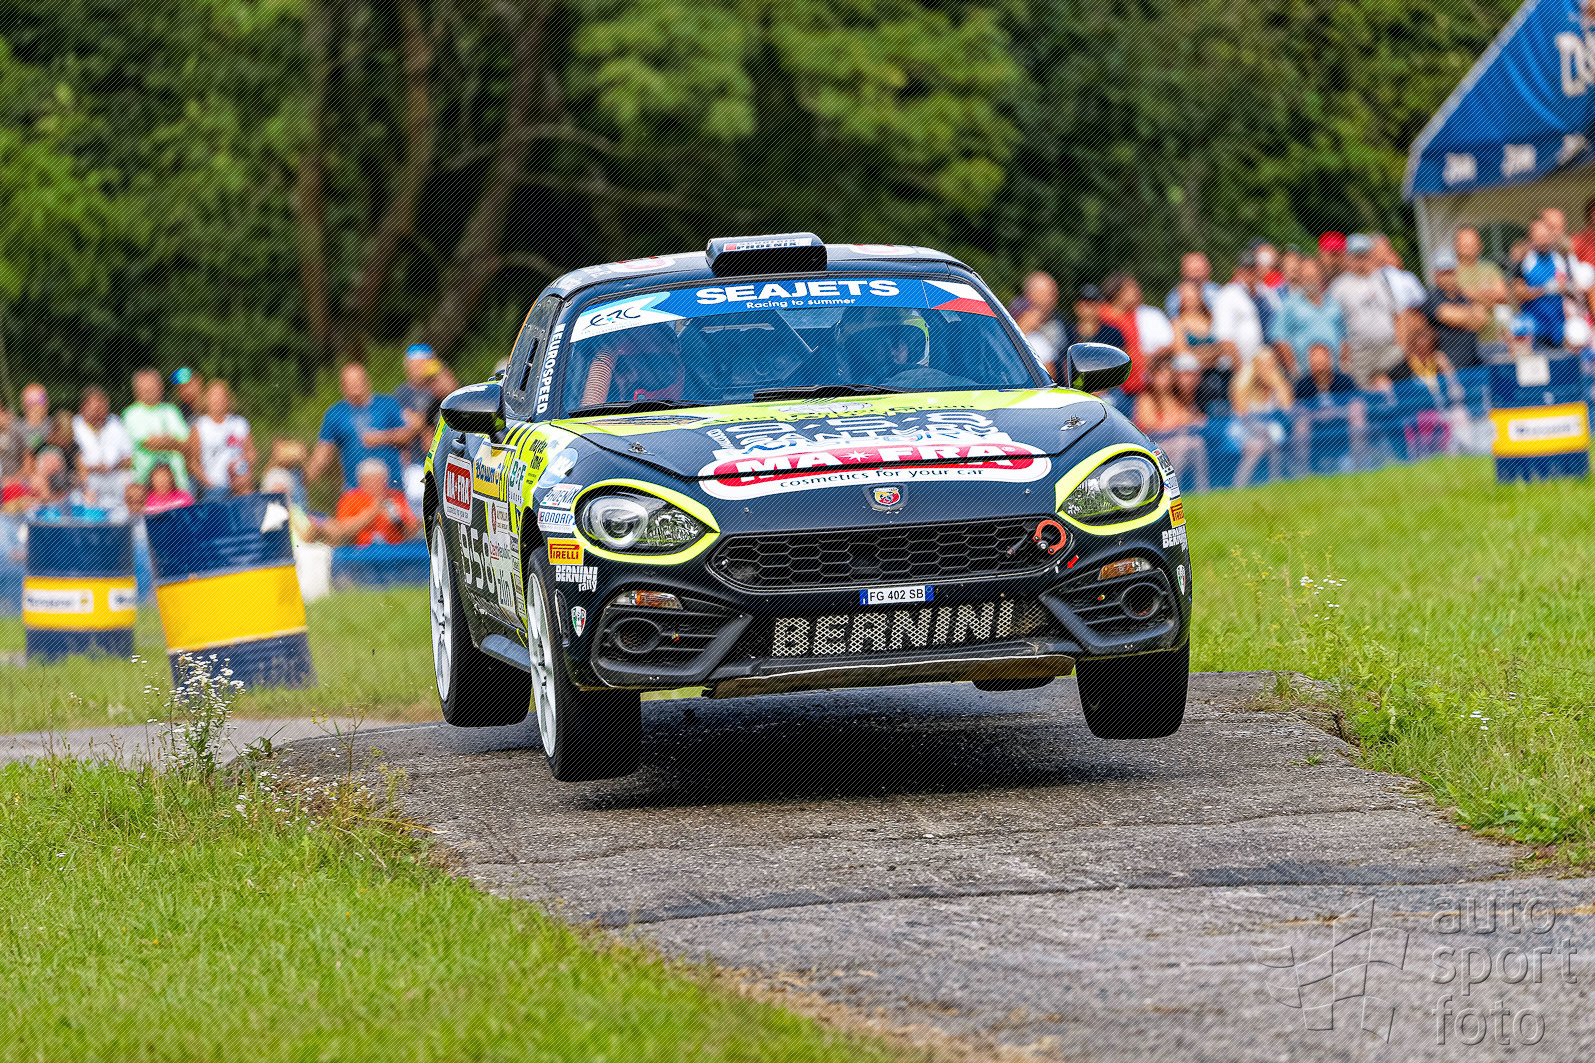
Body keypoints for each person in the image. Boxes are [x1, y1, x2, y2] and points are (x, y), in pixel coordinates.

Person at [307, 363, 407, 492]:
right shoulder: (335, 414)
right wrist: (304, 479)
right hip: (355, 491)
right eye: (350, 382)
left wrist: (381, 437)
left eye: (358, 380)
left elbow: (406, 436)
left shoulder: (387, 404)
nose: (355, 385)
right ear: (342, 387)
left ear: (367, 382)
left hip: (391, 488)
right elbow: (323, 452)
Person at [1328, 234, 1403, 386]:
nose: (1360, 260)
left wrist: (1401, 346)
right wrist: (1343, 355)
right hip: (1359, 353)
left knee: (1399, 392)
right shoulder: (1338, 287)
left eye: (1364, 255)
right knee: (1364, 395)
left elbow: (1398, 315)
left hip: (1389, 348)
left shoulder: (1383, 279)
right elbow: (1333, 324)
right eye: (1356, 256)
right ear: (1348, 258)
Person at [1133, 352, 1208, 491]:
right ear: (1153, 376)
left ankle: (1202, 488)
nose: (1166, 378)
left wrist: (1178, 422)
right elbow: (1150, 425)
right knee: (1182, 444)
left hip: (1175, 441)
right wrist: (1177, 422)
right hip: (1154, 446)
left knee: (1197, 443)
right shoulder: (1145, 398)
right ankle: (1172, 489)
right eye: (1161, 374)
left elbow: (1187, 420)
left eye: (1168, 374)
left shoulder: (1176, 398)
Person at [1291, 342, 1366, 474]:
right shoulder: (1302, 385)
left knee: (1356, 412)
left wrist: (1334, 413)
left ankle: (1361, 463)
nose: (1319, 365)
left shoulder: (1344, 381)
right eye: (1315, 361)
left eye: (1322, 360)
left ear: (1329, 360)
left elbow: (1357, 403)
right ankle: (1302, 470)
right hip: (1315, 431)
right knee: (1301, 423)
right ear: (1310, 363)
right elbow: (1297, 411)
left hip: (1342, 428)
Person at [1271, 258, 1346, 376]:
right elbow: (1280, 338)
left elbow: (1343, 337)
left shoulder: (1334, 303)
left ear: (1321, 277)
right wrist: (1293, 370)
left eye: (1313, 277)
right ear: (1300, 279)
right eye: (1307, 278)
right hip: (1305, 375)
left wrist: (1344, 364)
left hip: (1334, 374)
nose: (1310, 282)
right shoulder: (1289, 304)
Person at [1228, 348, 1292, 488]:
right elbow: (1242, 415)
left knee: (1271, 440)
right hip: (1243, 431)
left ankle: (1276, 483)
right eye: (1264, 365)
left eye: (1271, 365)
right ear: (1255, 367)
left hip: (1270, 432)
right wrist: (1262, 430)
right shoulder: (1242, 384)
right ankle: (1239, 486)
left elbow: (1288, 409)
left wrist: (1278, 385)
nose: (1268, 369)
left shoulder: (1278, 385)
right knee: (1257, 445)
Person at [124, 368, 194, 490]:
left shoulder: (172, 410)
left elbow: (188, 443)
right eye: (147, 389)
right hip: (146, 487)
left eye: (154, 387)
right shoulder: (131, 413)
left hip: (179, 486)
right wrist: (173, 442)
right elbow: (149, 443)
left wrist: (162, 441)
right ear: (137, 390)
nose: (151, 391)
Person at [394, 344, 445, 511]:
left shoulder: (438, 389)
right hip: (416, 461)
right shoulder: (402, 393)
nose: (420, 368)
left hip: (441, 459)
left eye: (425, 363)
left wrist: (419, 422)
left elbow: (416, 423)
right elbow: (406, 430)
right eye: (415, 364)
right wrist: (424, 424)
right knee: (419, 504)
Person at [1170, 280, 1232, 416]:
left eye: (1192, 294)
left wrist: (1195, 353)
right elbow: (1182, 353)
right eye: (1185, 295)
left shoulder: (1213, 318)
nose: (1189, 298)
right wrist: (1213, 353)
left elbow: (1225, 348)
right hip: (1197, 385)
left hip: (1222, 377)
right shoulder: (1177, 323)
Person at [327, 457, 420, 546]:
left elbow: (413, 531)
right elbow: (341, 530)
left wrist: (396, 519)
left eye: (379, 481)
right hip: (361, 552)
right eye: (371, 481)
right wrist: (372, 512)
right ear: (361, 482)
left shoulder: (396, 497)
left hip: (394, 551)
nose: (376, 485)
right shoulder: (350, 498)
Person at [1420, 249, 1488, 370]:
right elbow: (1447, 315)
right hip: (1448, 368)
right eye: (1444, 273)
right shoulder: (1432, 297)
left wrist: (1462, 317)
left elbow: (1482, 319)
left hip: (1474, 363)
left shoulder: (1462, 296)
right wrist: (1471, 315)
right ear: (1436, 274)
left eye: (1451, 272)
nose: (1448, 277)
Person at [73, 386, 135, 517]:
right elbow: (73, 459)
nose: (99, 411)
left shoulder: (115, 423)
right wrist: (94, 468)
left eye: (103, 406)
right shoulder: (74, 426)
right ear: (83, 408)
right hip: (87, 478)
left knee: (130, 478)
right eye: (95, 407)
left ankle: (126, 521)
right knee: (82, 492)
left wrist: (113, 466)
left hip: (114, 475)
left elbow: (130, 459)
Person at [1513, 218, 1573, 349]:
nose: (1544, 240)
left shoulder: (1561, 259)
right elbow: (1518, 292)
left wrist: (1566, 288)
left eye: (1546, 236)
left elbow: (1573, 289)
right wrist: (1544, 290)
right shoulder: (1524, 261)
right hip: (1534, 329)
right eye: (1539, 237)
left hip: (1558, 328)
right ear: (1531, 238)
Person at [192, 379, 255, 500]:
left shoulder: (239, 423)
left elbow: (251, 452)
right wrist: (207, 482)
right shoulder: (200, 426)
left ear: (228, 398)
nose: (218, 399)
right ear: (207, 399)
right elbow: (194, 462)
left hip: (239, 485)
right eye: (214, 395)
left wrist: (244, 469)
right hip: (214, 488)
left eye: (221, 395)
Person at [1211, 252, 1269, 370]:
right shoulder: (1228, 294)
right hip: (1236, 367)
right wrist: (1241, 370)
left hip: (1263, 365)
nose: (1250, 273)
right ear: (1238, 271)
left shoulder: (1266, 293)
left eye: (1253, 269)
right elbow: (1224, 338)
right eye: (1246, 269)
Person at [1454, 227, 1509, 348]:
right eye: (1464, 241)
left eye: (1472, 241)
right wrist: (1488, 297)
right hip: (1461, 343)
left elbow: (1502, 296)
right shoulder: (1450, 272)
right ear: (1456, 245)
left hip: (1493, 340)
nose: (1469, 244)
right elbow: (1447, 303)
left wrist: (1466, 292)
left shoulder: (1490, 268)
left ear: (1480, 245)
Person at [1099, 273, 1153, 395]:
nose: (1138, 291)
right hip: (1114, 389)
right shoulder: (1102, 317)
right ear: (1118, 292)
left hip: (1137, 386)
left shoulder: (1134, 315)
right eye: (1131, 287)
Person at [1008, 272, 1065, 374]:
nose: (1052, 298)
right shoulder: (1015, 315)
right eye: (1046, 293)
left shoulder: (1062, 322)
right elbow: (1007, 345)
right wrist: (1024, 326)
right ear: (1029, 293)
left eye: (1053, 292)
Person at [1163, 252, 1222, 320]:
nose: (1197, 276)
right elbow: (1173, 319)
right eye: (1194, 271)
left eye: (1199, 270)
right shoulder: (1176, 295)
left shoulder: (1215, 290)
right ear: (1184, 272)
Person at [19, 383, 51, 456]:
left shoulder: (56, 426)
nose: (35, 405)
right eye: (30, 402)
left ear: (47, 403)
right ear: (23, 405)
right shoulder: (15, 429)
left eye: (40, 400)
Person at [0, 404, 27, 487]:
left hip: (17, 477)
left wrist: (16, 478)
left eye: (2, 413)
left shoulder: (16, 433)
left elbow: (27, 462)